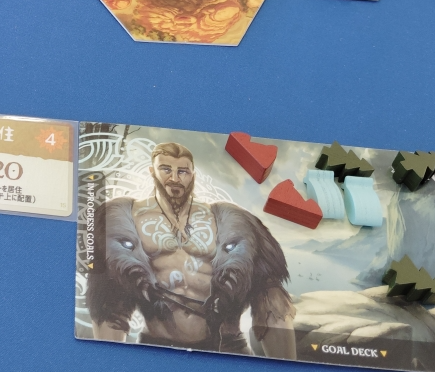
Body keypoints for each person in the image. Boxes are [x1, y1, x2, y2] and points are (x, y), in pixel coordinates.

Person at [87, 142, 296, 357]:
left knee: (271, 292)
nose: (174, 178)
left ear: (193, 174)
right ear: (152, 171)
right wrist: (107, 364)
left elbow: (270, 300)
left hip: (228, 346)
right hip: (158, 346)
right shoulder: (129, 217)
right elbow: (108, 305)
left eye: (182, 171)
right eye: (166, 169)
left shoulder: (226, 219)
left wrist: (286, 367)